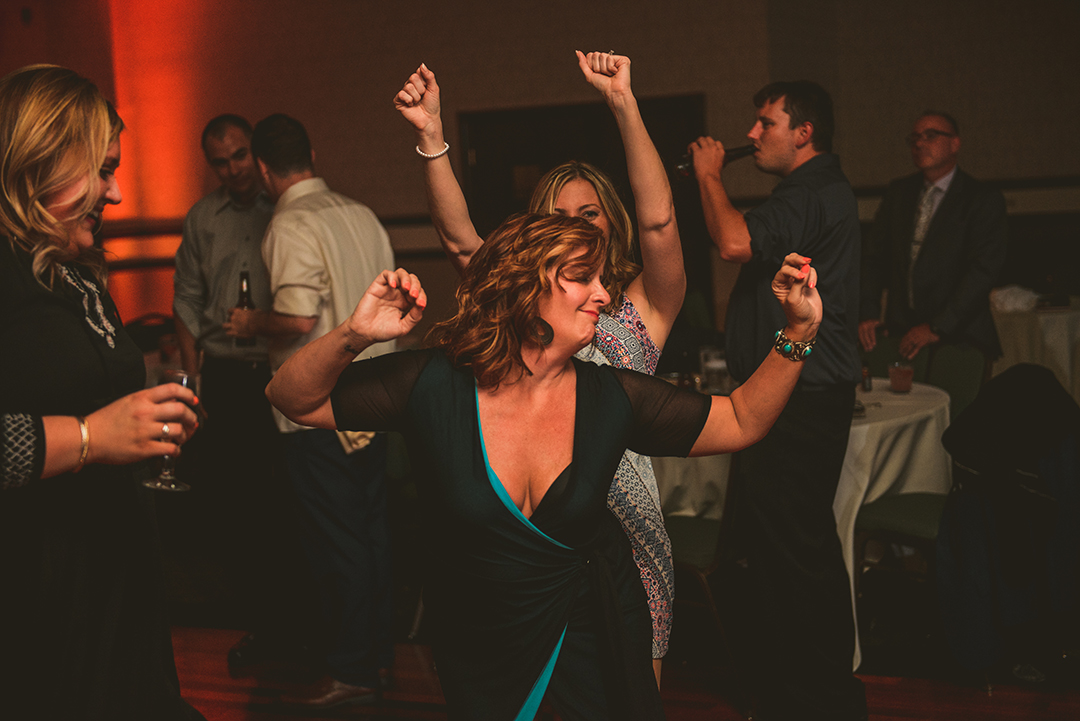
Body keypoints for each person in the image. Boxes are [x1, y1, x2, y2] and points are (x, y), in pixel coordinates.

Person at [266, 212, 821, 720]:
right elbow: (293, 398)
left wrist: (798, 334)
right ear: (525, 285)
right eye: (584, 277)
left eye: (602, 278)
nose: (604, 293)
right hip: (482, 645)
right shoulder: (432, 384)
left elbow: (742, 420)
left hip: (595, 634)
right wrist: (354, 334)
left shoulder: (612, 397)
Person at [395, 50, 686, 681]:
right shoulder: (520, 308)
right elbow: (458, 241)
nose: (578, 228)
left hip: (630, 539)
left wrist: (623, 104)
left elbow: (661, 221)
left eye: (590, 214)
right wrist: (431, 138)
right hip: (533, 541)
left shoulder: (640, 308)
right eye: (558, 218)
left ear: (612, 221)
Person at [0, 65, 204, 720]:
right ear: (41, 162)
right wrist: (92, 437)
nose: (115, 194)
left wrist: (144, 427)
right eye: (103, 169)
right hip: (37, 590)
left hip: (114, 574)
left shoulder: (77, 268)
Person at [688, 81, 865, 719]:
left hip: (802, 396)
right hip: (791, 393)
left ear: (804, 131)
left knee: (798, 549)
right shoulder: (816, 192)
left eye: (766, 123)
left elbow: (734, 241)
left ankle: (820, 701)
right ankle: (797, 694)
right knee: (785, 548)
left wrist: (709, 174)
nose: (753, 134)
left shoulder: (809, 191)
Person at [224, 113, 396, 707]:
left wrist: (250, 322)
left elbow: (298, 317)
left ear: (265, 169)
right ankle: (378, 662)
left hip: (320, 413)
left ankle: (352, 671)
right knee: (373, 539)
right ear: (313, 152)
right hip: (378, 403)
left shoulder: (289, 222)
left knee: (338, 546)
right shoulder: (361, 213)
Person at [172, 113, 309, 671]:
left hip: (281, 371)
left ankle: (301, 627)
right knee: (240, 508)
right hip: (227, 378)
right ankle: (260, 627)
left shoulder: (288, 207)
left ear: (257, 154)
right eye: (220, 162)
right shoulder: (203, 219)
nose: (232, 169)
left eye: (239, 156)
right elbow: (185, 300)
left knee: (289, 503)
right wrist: (192, 379)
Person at [859, 112, 1008, 362]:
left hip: (960, 337)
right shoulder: (899, 193)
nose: (919, 143)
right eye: (915, 137)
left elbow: (983, 271)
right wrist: (868, 311)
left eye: (931, 135)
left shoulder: (981, 199)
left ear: (954, 143)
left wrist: (938, 326)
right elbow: (873, 257)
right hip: (901, 333)